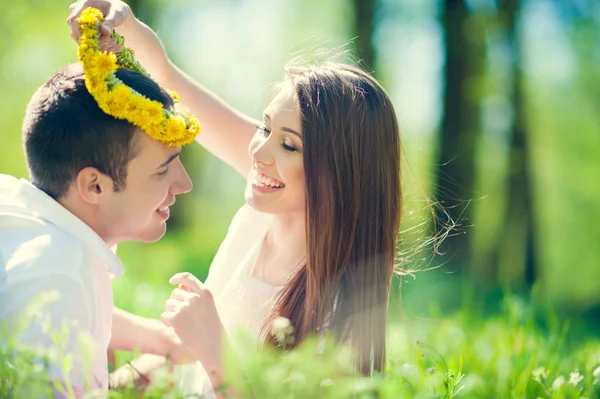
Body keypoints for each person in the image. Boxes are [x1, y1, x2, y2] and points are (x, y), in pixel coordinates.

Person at [67, 2, 402, 398]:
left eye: (289, 145)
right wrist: (127, 27)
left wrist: (214, 349)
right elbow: (175, 85)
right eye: (265, 127)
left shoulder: (343, 312)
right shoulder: (265, 208)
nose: (258, 153)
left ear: (342, 174)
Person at [0, 62, 196, 396]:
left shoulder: (20, 212)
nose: (184, 184)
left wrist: (160, 341)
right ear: (94, 186)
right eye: (163, 171)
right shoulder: (61, 272)